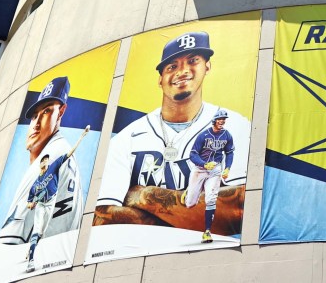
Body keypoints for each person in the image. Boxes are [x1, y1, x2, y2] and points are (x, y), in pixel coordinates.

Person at [94, 31, 250, 236]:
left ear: (207, 67)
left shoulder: (236, 125)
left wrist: (145, 195)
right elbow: (102, 219)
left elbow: (238, 209)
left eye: (193, 60)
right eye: (172, 66)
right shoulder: (126, 139)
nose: (182, 71)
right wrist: (188, 218)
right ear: (160, 79)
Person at [0, 76, 85, 247]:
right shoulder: (62, 151)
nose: (36, 124)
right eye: (34, 116)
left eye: (46, 111)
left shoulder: (48, 159)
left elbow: (6, 246)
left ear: (61, 112)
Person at [25, 125, 90, 268]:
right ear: (40, 164)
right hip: (41, 206)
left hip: (51, 202)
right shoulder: (35, 185)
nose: (46, 162)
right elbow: (29, 203)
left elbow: (69, 153)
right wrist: (32, 203)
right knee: (37, 230)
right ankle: (31, 260)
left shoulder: (53, 167)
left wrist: (82, 136)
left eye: (47, 160)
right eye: (44, 160)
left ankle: (31, 247)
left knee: (42, 232)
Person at [181, 109, 235, 242]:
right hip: (200, 169)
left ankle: (207, 232)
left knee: (211, 199)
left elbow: (229, 153)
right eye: (220, 118)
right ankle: (190, 192)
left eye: (224, 119)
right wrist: (204, 164)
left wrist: (227, 168)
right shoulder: (203, 135)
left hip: (215, 170)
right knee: (190, 204)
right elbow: (192, 154)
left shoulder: (227, 135)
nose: (222, 121)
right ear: (214, 120)